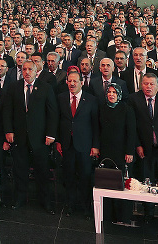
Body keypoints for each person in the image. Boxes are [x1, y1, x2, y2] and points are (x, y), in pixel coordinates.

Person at [5, 60, 58, 212]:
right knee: (20, 171)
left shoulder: (45, 87)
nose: (27, 72)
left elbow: (52, 113)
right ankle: (20, 199)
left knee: (42, 172)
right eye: (24, 69)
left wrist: (51, 134)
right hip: (19, 137)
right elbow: (7, 111)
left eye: (30, 69)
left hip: (40, 138)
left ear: (36, 71)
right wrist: (8, 130)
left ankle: (45, 202)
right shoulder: (14, 86)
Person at [57, 70, 99, 216]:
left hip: (85, 146)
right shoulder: (61, 98)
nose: (72, 83)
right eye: (69, 81)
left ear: (81, 82)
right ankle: (70, 205)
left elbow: (95, 125)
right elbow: (58, 121)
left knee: (85, 177)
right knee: (69, 177)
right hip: (67, 145)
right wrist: (58, 141)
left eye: (75, 81)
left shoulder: (91, 99)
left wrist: (95, 145)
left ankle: (86, 207)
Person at [98, 83, 136, 225]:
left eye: (114, 92)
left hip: (122, 153)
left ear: (119, 94)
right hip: (106, 153)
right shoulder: (101, 108)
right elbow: (98, 129)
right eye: (109, 92)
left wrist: (129, 152)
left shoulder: (126, 109)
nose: (111, 94)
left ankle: (123, 216)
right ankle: (108, 215)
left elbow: (131, 132)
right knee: (107, 184)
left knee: (122, 185)